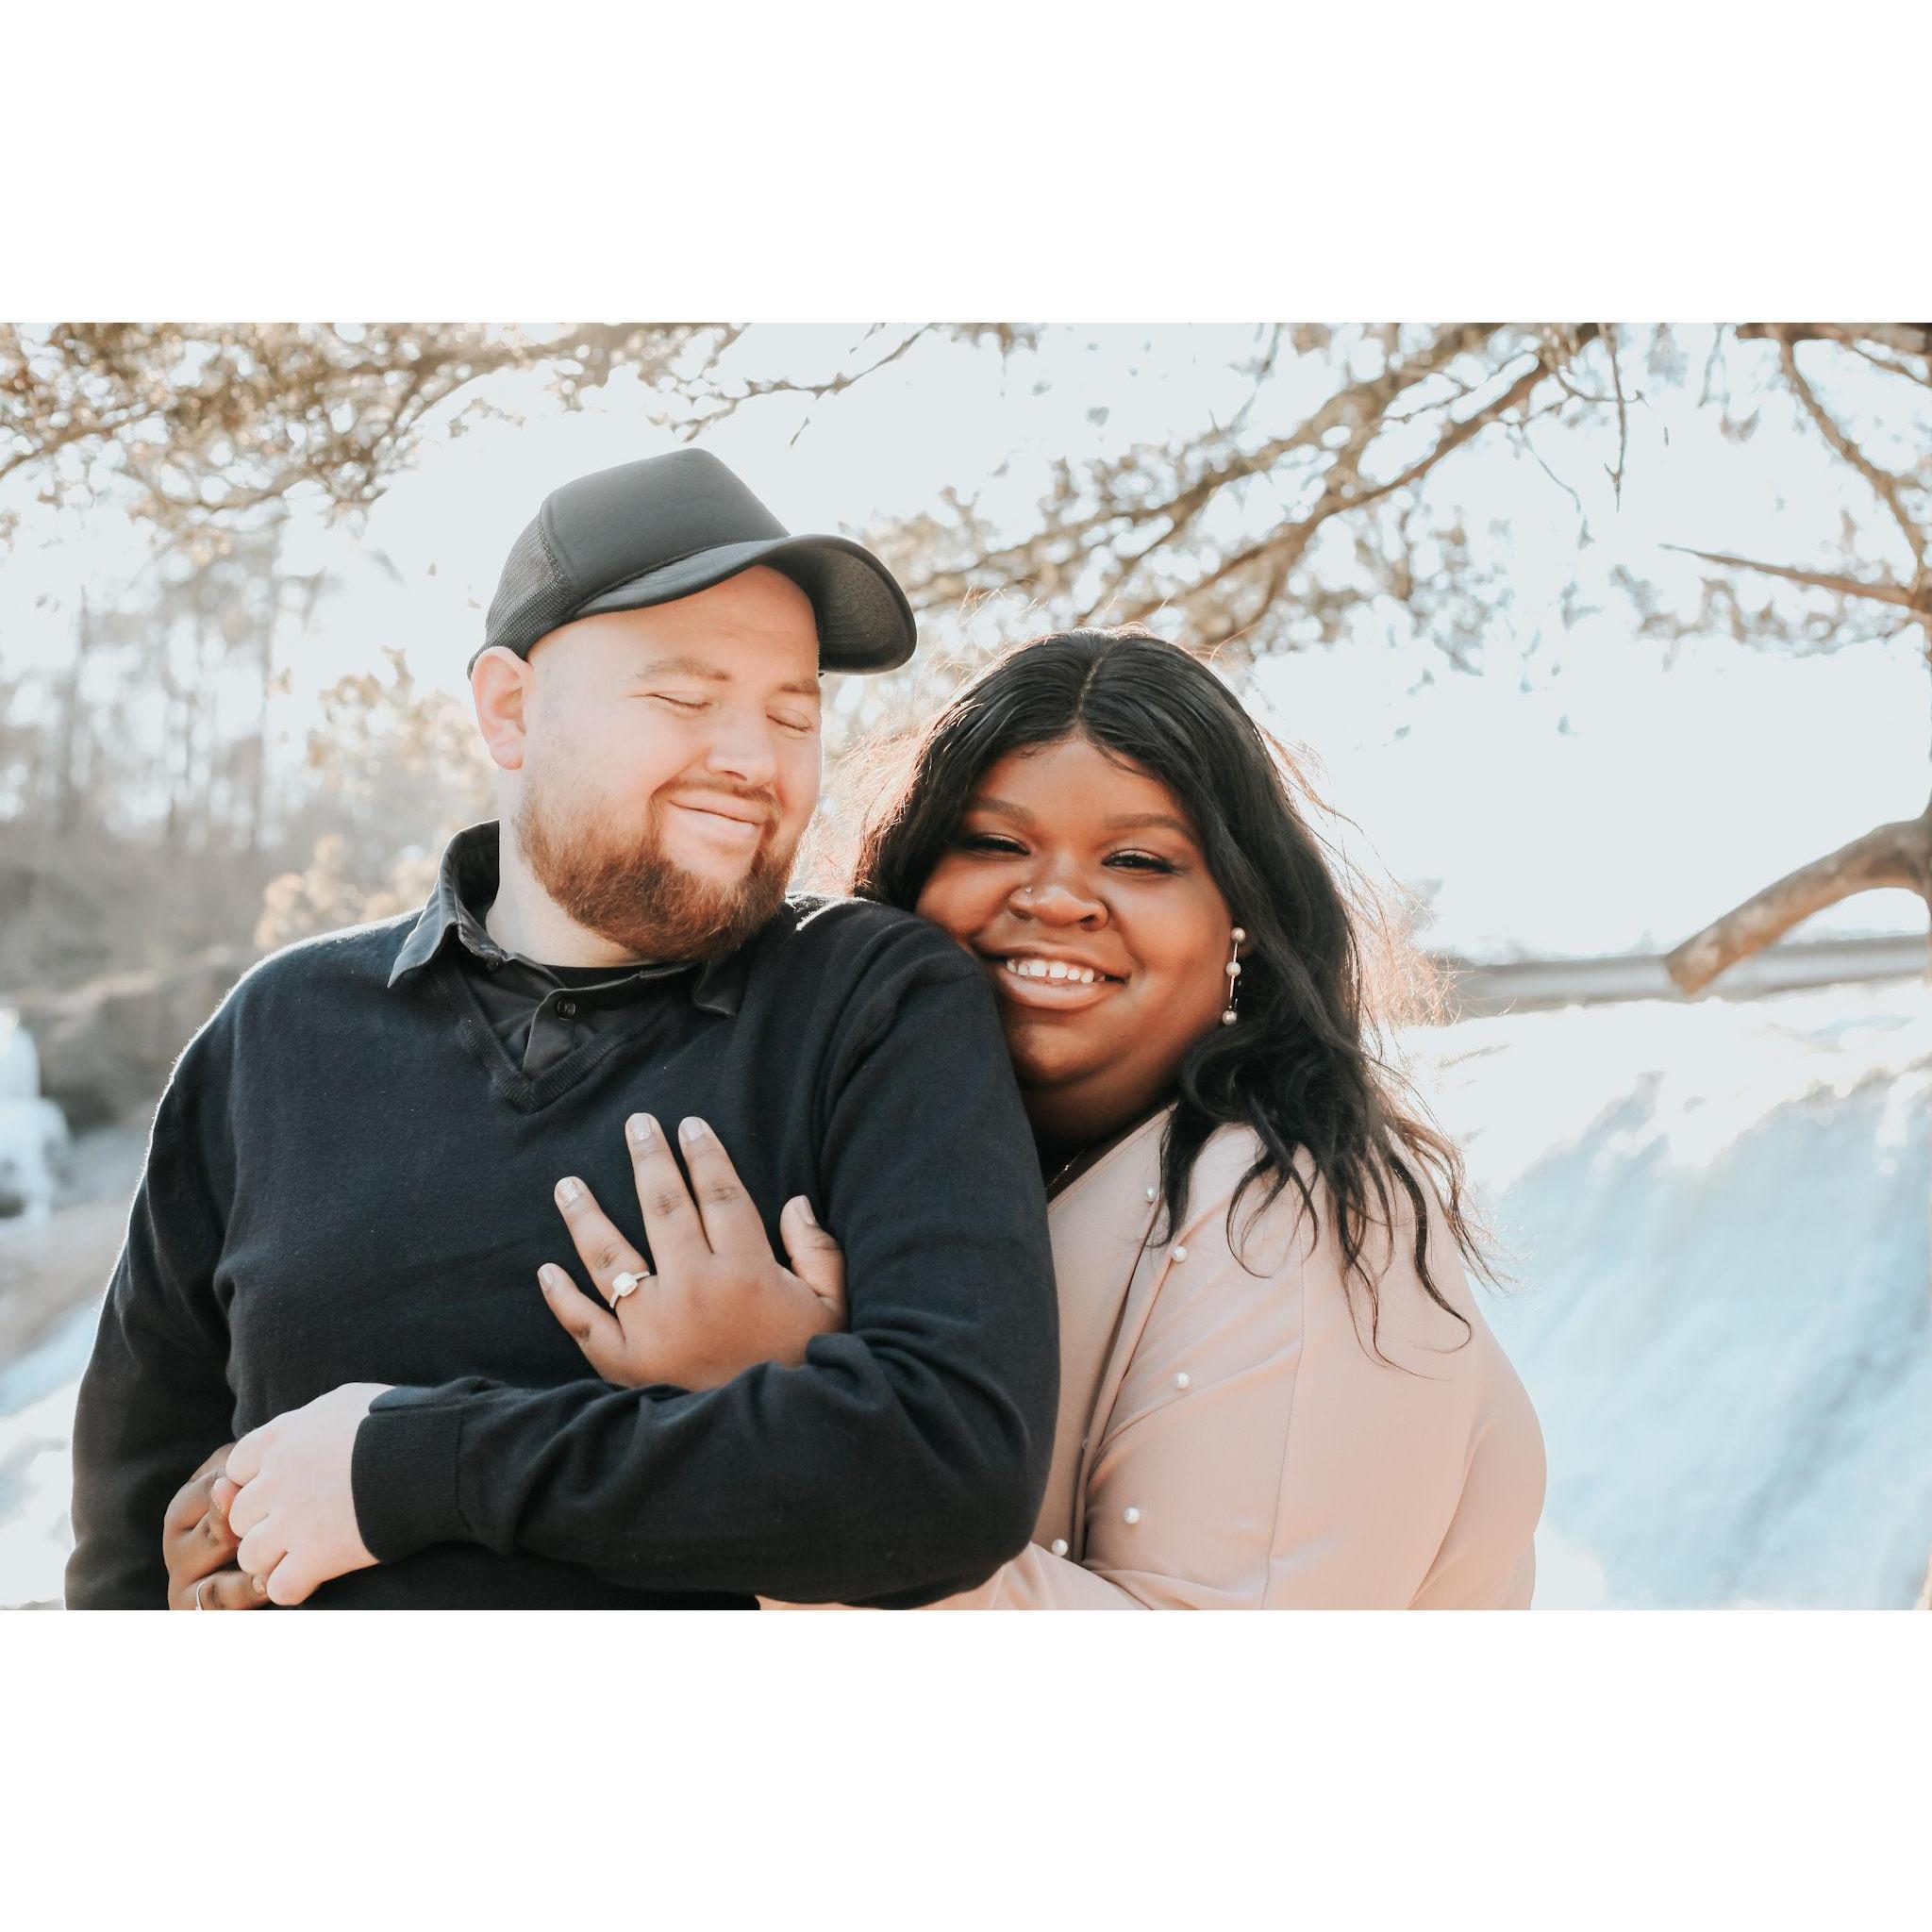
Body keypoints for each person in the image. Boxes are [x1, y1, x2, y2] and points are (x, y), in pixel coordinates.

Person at [174, 625, 1544, 1611]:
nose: (1054, 898)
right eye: (994, 843)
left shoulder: (1291, 1217)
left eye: (1140, 859)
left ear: (1242, 920)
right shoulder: (901, 1164)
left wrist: (790, 1404)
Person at [68, 448, 1060, 1609]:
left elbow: (953, 1472)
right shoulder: (277, 1033)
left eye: (794, 713)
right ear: (510, 708)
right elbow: (131, 1539)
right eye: (685, 698)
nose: (753, 759)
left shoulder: (873, 1003)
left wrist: (412, 1467)